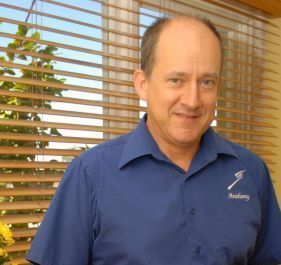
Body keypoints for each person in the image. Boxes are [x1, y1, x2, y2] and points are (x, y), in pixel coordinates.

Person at [26, 15, 281, 265]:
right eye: (175, 80)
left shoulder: (252, 173)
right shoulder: (91, 173)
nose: (192, 100)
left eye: (206, 82)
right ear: (142, 84)